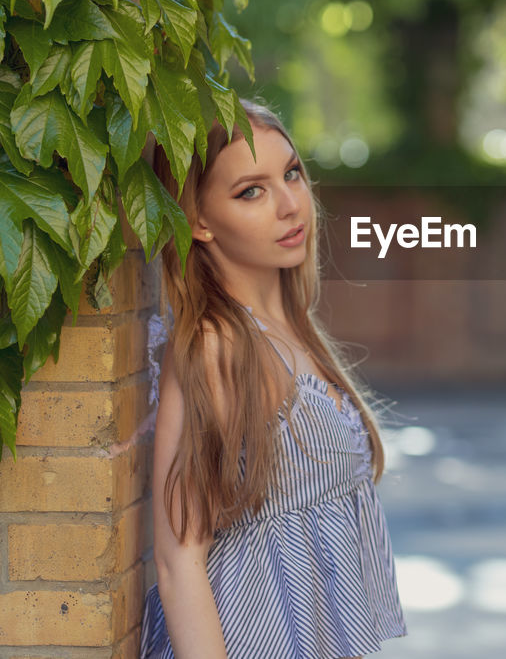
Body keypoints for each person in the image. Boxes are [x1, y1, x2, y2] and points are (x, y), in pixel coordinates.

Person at [139, 100, 407, 658]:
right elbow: (179, 561)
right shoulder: (222, 347)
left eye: (291, 174)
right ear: (198, 220)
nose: (291, 205)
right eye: (251, 191)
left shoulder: (291, 328)